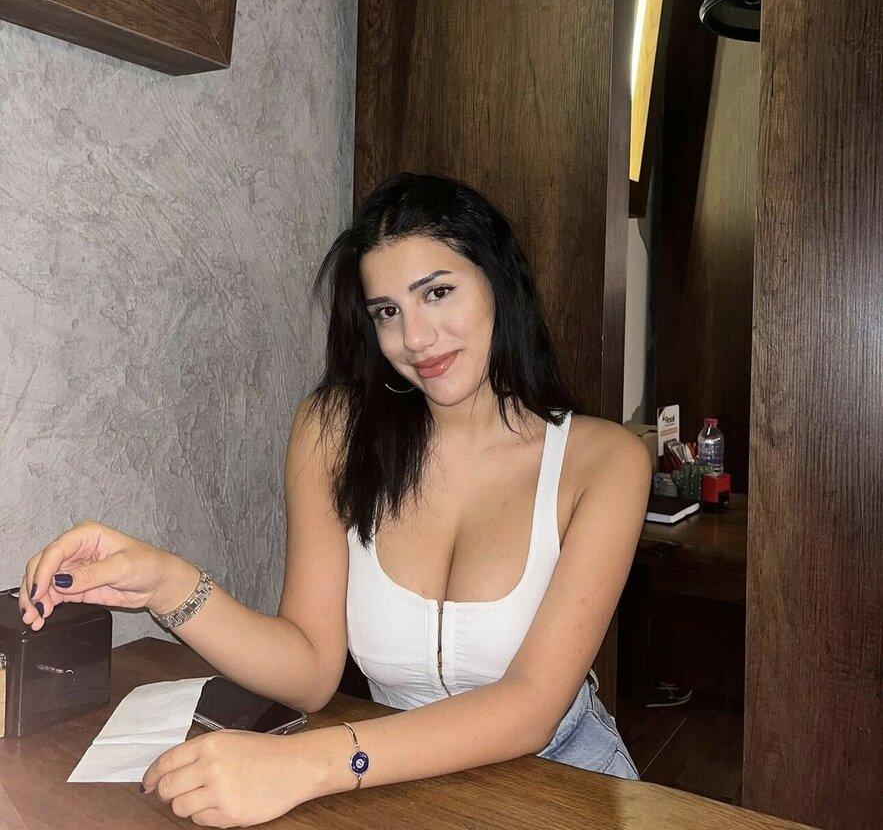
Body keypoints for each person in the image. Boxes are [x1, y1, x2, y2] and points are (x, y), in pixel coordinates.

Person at [19, 172, 650, 827]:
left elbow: (530, 706)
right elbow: (311, 669)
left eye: (437, 292)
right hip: (397, 790)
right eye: (387, 312)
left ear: (498, 283)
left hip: (564, 779)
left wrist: (307, 764)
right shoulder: (333, 431)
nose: (415, 338)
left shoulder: (605, 462)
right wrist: (164, 583)